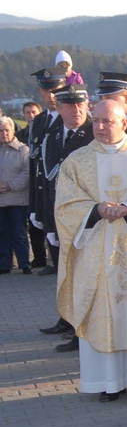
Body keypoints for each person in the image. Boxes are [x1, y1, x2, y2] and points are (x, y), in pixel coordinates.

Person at [54, 100, 127, 402]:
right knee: (106, 311)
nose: (101, 127)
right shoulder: (77, 161)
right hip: (97, 251)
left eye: (108, 121)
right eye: (96, 121)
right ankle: (110, 382)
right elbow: (65, 205)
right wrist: (95, 209)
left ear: (125, 123)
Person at [39, 84, 96, 352]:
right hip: (61, 216)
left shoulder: (95, 136)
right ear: (58, 108)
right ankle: (68, 319)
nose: (76, 110)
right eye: (70, 105)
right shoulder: (52, 135)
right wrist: (44, 217)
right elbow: (45, 180)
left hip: (88, 221)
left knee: (85, 277)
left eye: (80, 105)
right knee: (67, 275)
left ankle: (80, 330)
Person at [29, 67, 68, 277]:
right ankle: (53, 262)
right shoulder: (38, 122)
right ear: (40, 92)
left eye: (56, 90)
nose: (52, 96)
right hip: (45, 193)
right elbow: (34, 167)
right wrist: (34, 203)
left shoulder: (70, 121)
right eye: (47, 91)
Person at [0, 117, 31, 275]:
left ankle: (24, 263)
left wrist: (10, 185)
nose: (4, 133)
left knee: (19, 233)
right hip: (1, 201)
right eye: (1, 131)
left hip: (18, 199)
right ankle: (4, 265)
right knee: (2, 233)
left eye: (7, 130)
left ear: (13, 131)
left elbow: (27, 173)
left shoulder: (23, 150)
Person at [17, 101, 46, 269]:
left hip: (39, 180)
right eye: (27, 112)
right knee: (32, 224)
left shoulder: (42, 132)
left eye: (33, 112)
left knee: (42, 221)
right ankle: (38, 257)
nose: (30, 115)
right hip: (25, 187)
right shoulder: (20, 135)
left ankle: (45, 256)